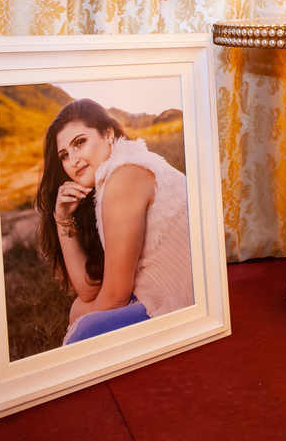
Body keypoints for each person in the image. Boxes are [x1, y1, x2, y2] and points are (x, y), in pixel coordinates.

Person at [35, 98, 194, 346]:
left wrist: (79, 319)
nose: (73, 160)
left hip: (186, 301)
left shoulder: (123, 177)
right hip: (174, 289)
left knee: (82, 325)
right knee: (81, 306)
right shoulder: (114, 174)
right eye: (64, 155)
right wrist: (62, 218)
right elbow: (89, 289)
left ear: (108, 133)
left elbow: (116, 297)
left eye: (80, 143)